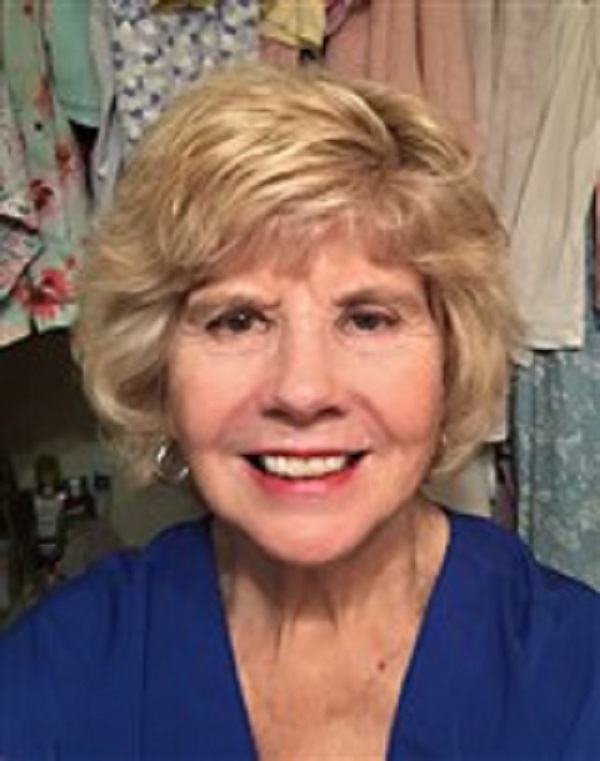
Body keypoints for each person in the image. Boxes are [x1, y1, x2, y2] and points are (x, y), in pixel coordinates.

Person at [1, 63, 599, 761]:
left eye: (368, 318)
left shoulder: (576, 679)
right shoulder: (55, 674)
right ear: (159, 367)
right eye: (237, 320)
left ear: (452, 355)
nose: (303, 390)